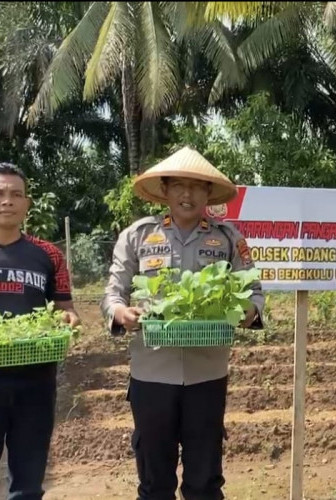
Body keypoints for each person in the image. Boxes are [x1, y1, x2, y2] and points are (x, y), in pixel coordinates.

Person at [100, 147, 264, 500]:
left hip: (208, 373)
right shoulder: (138, 235)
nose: (187, 195)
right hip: (150, 372)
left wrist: (247, 311)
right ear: (165, 190)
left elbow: (254, 292)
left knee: (204, 479)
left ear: (208, 194)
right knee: (155, 479)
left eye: (196, 187)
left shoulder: (228, 238)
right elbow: (113, 291)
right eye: (178, 186)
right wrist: (120, 312)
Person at [0, 162, 80, 500]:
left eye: (16, 194)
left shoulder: (48, 254)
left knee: (29, 481)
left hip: (35, 377)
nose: (7, 201)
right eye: (1, 194)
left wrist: (69, 323)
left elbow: (66, 309)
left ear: (27, 204)